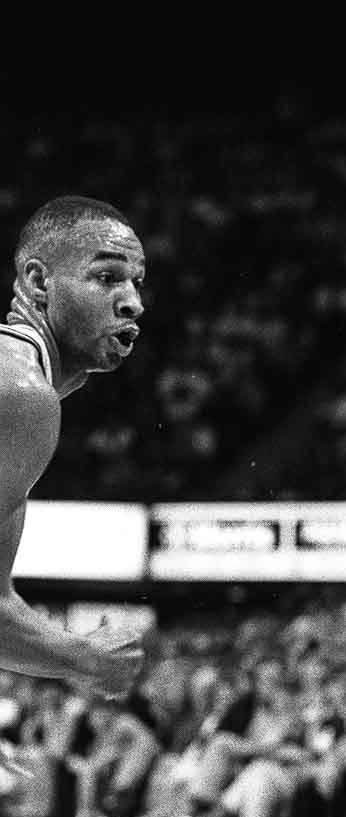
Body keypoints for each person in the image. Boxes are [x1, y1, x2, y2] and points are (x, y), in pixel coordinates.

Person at [0, 197, 145, 697]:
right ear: (39, 283)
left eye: (135, 282)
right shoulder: (20, 392)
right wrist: (85, 658)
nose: (133, 303)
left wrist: (78, 659)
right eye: (107, 278)